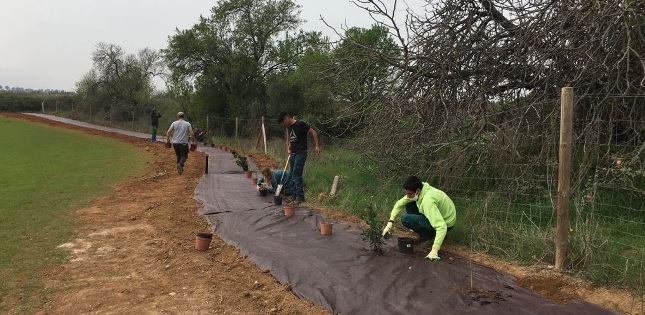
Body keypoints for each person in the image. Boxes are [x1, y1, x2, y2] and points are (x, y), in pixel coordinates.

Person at [382, 176, 457, 261]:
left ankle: (429, 235)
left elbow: (442, 226)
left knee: (405, 218)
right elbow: (399, 203)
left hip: (446, 223)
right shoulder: (423, 189)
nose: (407, 196)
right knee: (408, 203)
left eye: (409, 194)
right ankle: (427, 234)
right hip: (440, 215)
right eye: (406, 193)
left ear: (417, 191)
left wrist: (434, 251)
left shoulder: (428, 201)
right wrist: (390, 223)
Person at [277, 112, 321, 205]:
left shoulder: (301, 124)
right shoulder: (290, 127)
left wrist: (317, 146)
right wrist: (289, 147)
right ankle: (294, 195)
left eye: (283, 122)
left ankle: (300, 197)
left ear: (286, 118)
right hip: (292, 153)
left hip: (301, 152)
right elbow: (291, 138)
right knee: (292, 174)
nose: (283, 124)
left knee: (297, 173)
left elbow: (313, 132)